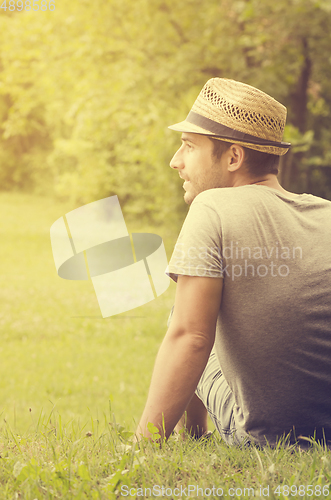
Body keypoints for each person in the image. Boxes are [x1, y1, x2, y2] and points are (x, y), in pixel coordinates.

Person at [136, 78, 331, 447]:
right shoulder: (325, 213)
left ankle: (193, 434)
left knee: (184, 314)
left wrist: (141, 448)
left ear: (233, 157)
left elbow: (191, 338)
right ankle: (194, 433)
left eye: (189, 146)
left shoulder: (213, 207)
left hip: (266, 437)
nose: (175, 161)